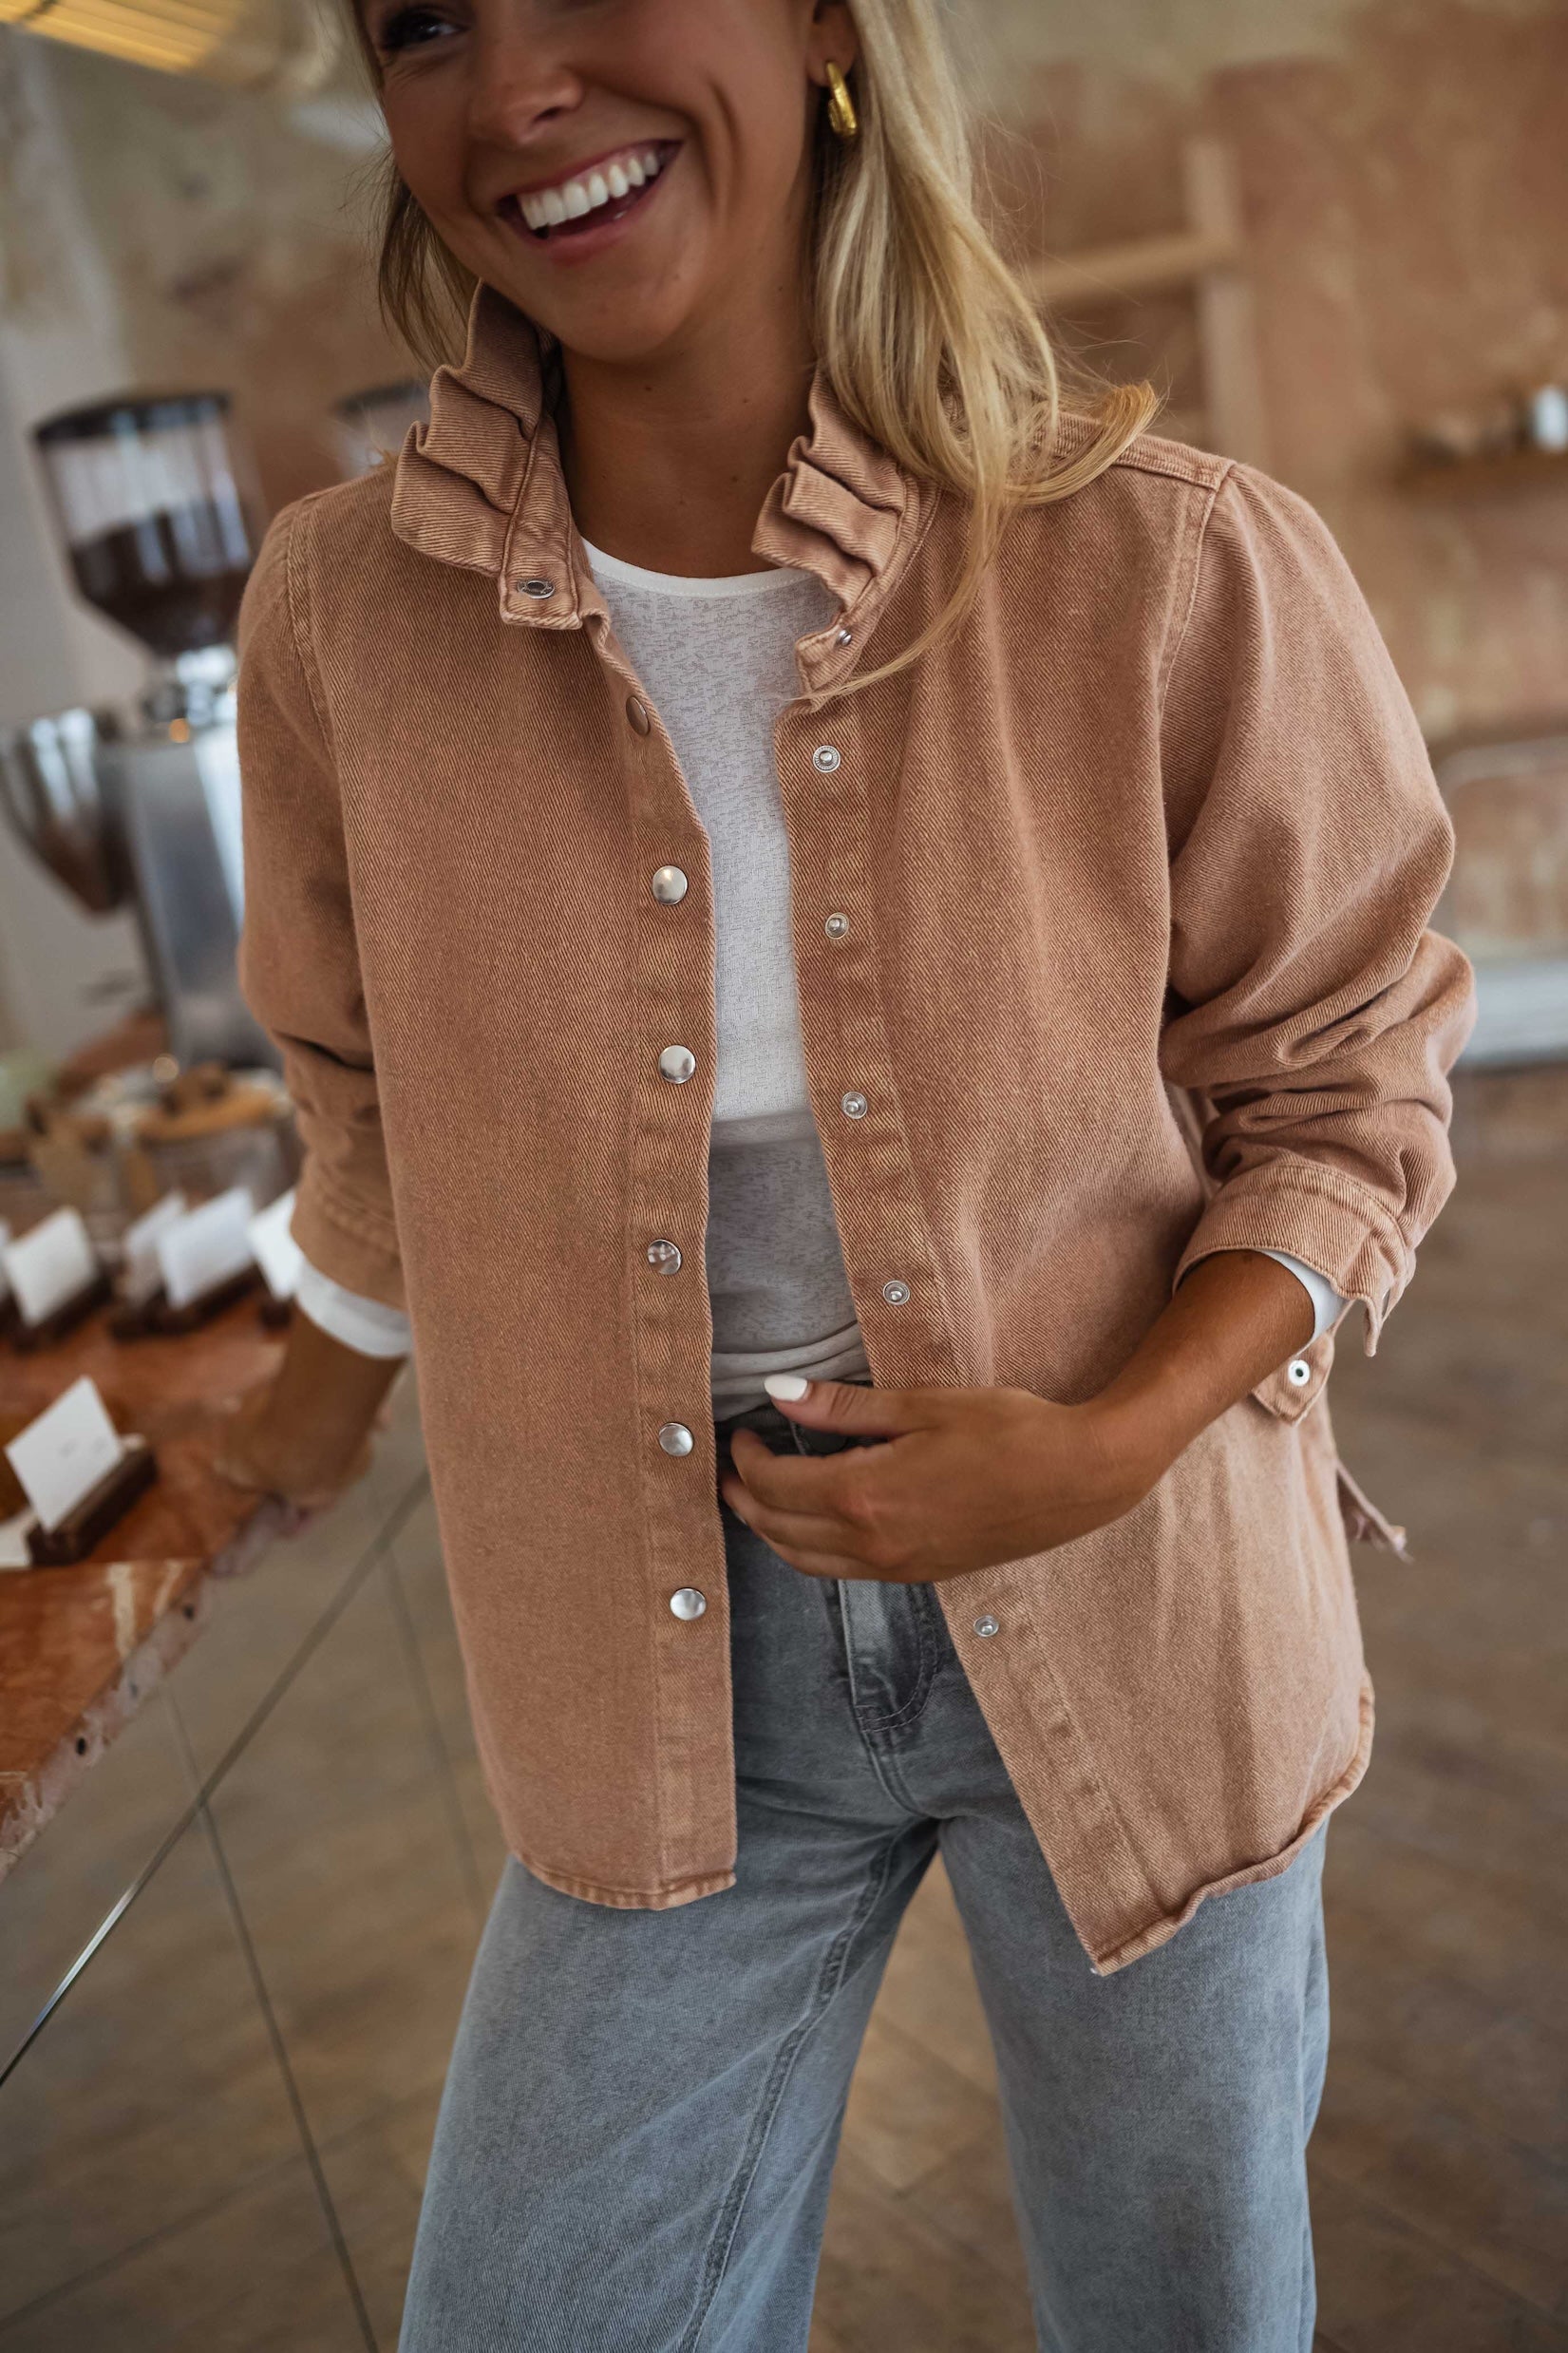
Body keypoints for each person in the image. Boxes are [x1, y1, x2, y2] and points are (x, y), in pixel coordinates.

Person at [214, 2, 1477, 2345]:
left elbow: (1348, 1086)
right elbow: (370, 1107)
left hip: (1139, 1618)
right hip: (650, 1674)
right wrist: (299, 1403)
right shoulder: (335, 630)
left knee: (1183, 2311)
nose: (515, 93)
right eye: (421, 28)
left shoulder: (1170, 564)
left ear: (814, 26)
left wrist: (1100, 1444)